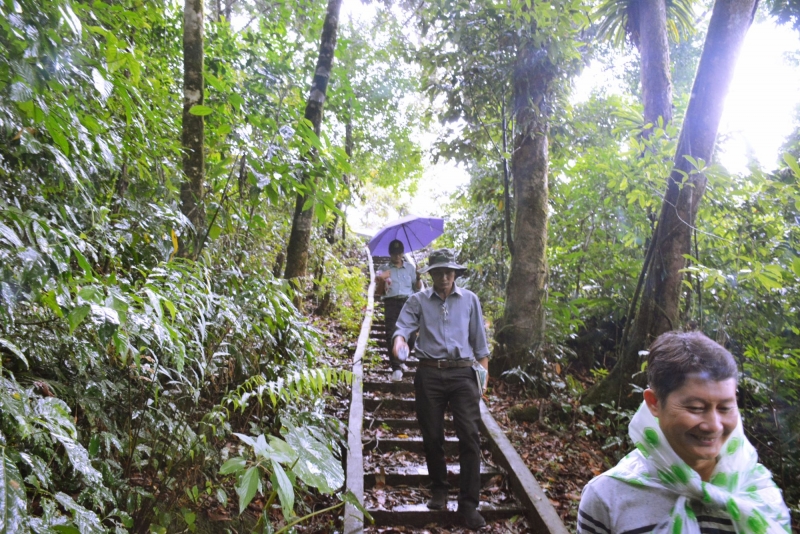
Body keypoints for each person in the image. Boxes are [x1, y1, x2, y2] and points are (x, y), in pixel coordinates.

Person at [578, 331, 791, 534]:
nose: (714, 425)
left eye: (725, 408)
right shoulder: (608, 496)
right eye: (696, 408)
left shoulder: (759, 492)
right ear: (654, 402)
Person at [392, 248, 490, 531]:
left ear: (455, 274)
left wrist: (482, 382)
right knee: (432, 433)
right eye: (439, 272)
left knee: (470, 436)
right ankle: (439, 488)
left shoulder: (470, 300)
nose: (444, 277)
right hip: (429, 373)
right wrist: (400, 343)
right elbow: (402, 328)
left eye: (449, 272)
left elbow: (481, 347)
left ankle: (469, 504)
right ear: (431, 274)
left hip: (463, 375)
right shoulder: (417, 301)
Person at [375, 239, 421, 381]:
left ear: (403, 253)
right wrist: (382, 280)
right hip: (391, 303)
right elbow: (379, 293)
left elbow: (417, 288)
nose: (397, 256)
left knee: (412, 335)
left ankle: (401, 359)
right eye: (394, 253)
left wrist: (419, 277)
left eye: (399, 253)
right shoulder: (383, 269)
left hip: (408, 303)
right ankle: (396, 367)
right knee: (391, 334)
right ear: (390, 253)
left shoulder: (410, 268)